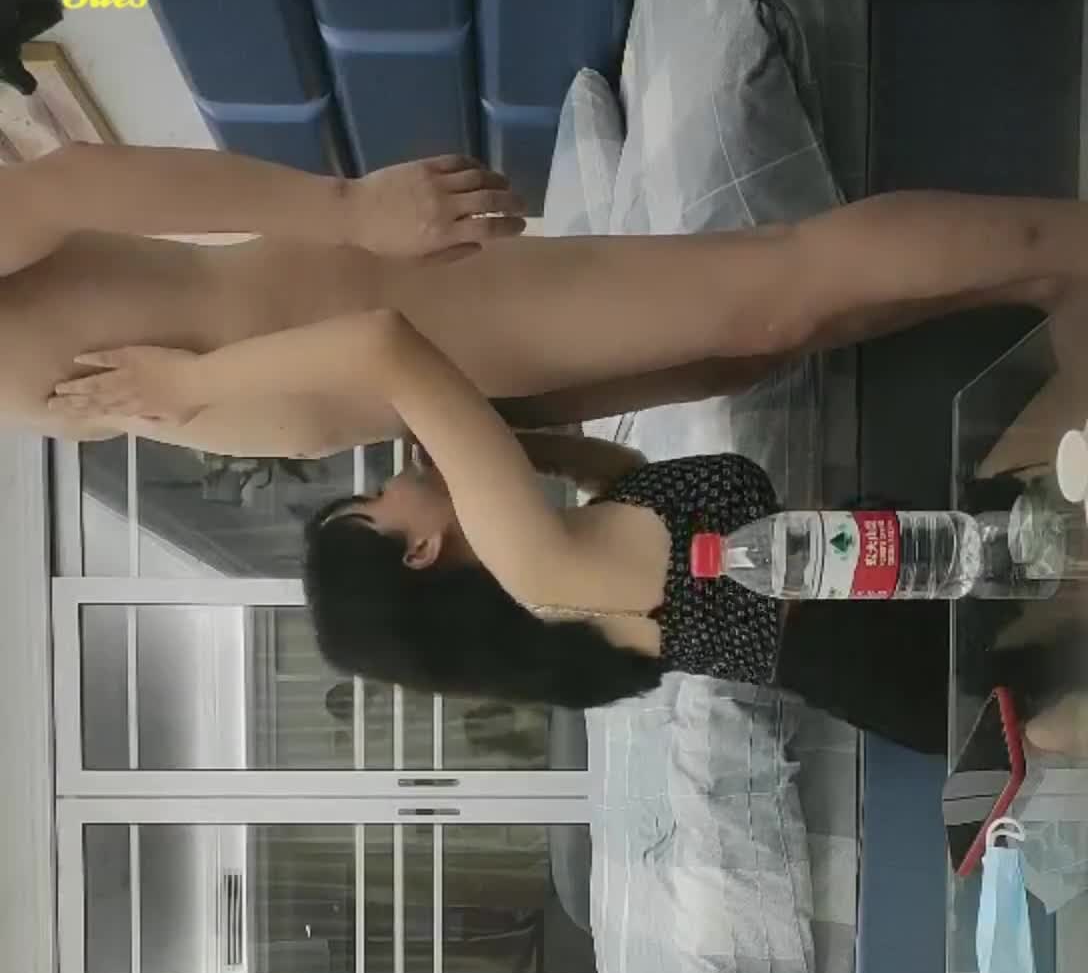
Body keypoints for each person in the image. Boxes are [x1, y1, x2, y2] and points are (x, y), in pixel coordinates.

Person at [286, 309, 1083, 757]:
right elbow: (386, 345)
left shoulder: (573, 550)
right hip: (893, 630)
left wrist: (520, 449)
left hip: (889, 565)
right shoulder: (537, 573)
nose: (394, 479)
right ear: (418, 552)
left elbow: (624, 473)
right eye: (378, 499)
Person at [24, 140, 1088, 460]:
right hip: (375, 392)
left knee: (769, 292)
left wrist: (348, 207)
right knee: (745, 353)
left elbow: (62, 184)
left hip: (329, 312)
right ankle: (1040, 278)